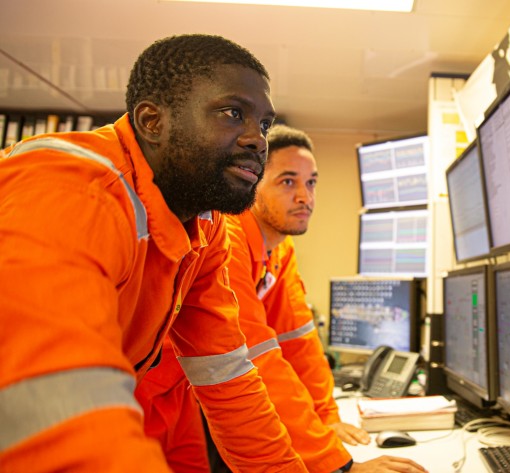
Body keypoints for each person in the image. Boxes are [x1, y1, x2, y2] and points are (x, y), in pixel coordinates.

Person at [0, 34, 308, 472]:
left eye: (262, 125)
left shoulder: (203, 223)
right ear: (152, 121)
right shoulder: (72, 191)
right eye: (232, 113)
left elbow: (226, 375)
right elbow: (58, 410)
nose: (258, 141)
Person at [137, 125, 428, 473]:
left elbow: (298, 341)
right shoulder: (227, 238)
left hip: (190, 398)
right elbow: (257, 356)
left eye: (312, 182)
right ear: (252, 184)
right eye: (288, 182)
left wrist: (327, 419)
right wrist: (339, 466)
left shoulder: (279, 248)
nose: (305, 196)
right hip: (148, 397)